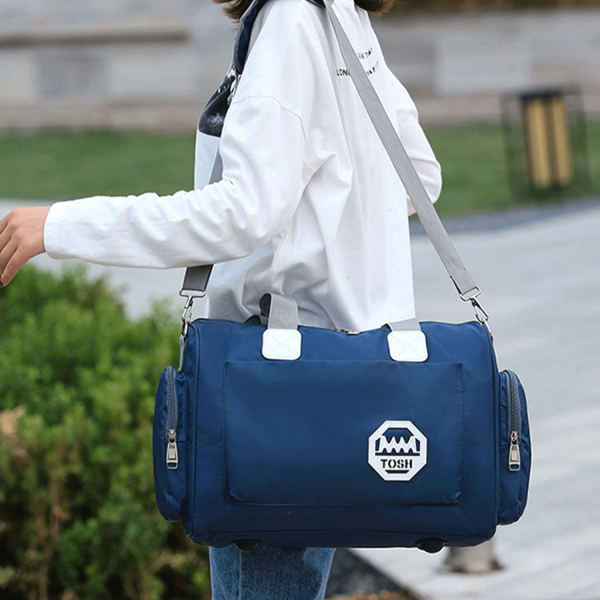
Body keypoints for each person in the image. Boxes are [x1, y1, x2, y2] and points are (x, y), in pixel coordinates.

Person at [0, 0, 442, 597]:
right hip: (347, 374)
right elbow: (419, 175)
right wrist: (326, 229)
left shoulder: (288, 20)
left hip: (272, 385)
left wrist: (61, 226)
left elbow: (243, 213)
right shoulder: (341, 13)